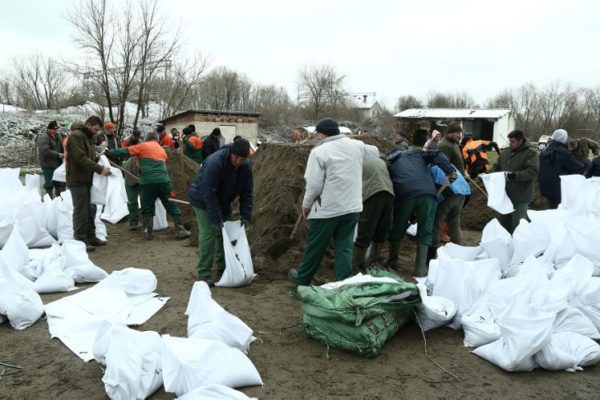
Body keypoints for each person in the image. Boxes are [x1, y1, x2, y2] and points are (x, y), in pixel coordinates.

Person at [288, 117, 379, 286]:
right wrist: (354, 146)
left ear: (323, 134)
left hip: (328, 210)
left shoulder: (319, 152)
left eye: (318, 134)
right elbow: (374, 152)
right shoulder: (356, 146)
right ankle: (343, 284)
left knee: (315, 247)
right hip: (352, 208)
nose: (317, 137)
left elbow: (314, 185)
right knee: (344, 248)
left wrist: (306, 205)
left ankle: (302, 280)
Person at [188, 138, 254, 286]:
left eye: (242, 159)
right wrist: (216, 218)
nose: (238, 161)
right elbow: (208, 193)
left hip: (224, 201)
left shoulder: (246, 166)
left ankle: (223, 268)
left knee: (226, 234)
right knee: (209, 234)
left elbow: (247, 192)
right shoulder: (215, 162)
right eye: (236, 157)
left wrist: (245, 214)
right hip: (202, 199)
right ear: (230, 152)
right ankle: (203, 273)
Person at [107, 131, 191, 240]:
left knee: (147, 206)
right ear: (157, 139)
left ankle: (149, 233)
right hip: (164, 181)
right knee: (171, 204)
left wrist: (109, 152)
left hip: (147, 183)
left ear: (147, 139)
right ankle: (180, 230)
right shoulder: (161, 149)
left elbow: (125, 151)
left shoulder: (143, 146)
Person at [385, 148, 456, 277]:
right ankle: (420, 269)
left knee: (397, 228)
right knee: (425, 231)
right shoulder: (417, 154)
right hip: (427, 194)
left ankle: (392, 263)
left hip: (404, 195)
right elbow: (436, 152)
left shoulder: (390, 165)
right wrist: (450, 170)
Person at [65, 116, 112, 252]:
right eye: (95, 129)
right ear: (88, 125)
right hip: (77, 179)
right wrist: (100, 169)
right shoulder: (76, 136)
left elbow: (90, 156)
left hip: (87, 179)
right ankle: (80, 239)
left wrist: (100, 159)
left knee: (90, 209)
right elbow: (80, 158)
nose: (97, 132)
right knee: (81, 209)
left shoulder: (88, 137)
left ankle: (91, 236)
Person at [490, 129, 539, 233]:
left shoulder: (530, 153)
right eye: (509, 141)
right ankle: (507, 247)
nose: (510, 144)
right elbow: (497, 167)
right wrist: (487, 174)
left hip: (521, 196)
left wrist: (515, 176)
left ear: (521, 141)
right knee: (505, 225)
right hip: (505, 196)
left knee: (518, 226)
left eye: (513, 142)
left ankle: (518, 248)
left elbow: (532, 171)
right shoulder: (505, 153)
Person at [352, 157, 394, 271]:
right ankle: (372, 263)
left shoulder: (357, 160)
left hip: (373, 194)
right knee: (381, 229)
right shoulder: (379, 161)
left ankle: (355, 265)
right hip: (389, 193)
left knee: (365, 229)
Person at [539, 129, 586, 209]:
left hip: (545, 186)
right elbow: (576, 168)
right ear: (564, 139)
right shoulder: (562, 152)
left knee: (552, 207)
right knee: (558, 211)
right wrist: (587, 165)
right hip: (559, 187)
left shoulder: (544, 151)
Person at [437, 123, 465, 242]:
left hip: (458, 187)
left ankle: (458, 246)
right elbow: (443, 168)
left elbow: (456, 164)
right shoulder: (444, 146)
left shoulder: (453, 144)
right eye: (458, 133)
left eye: (461, 133)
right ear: (450, 133)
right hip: (451, 188)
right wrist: (444, 189)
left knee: (454, 219)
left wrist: (464, 173)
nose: (460, 136)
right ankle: (432, 248)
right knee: (439, 219)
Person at [37, 120, 66, 198]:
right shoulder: (44, 138)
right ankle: (48, 200)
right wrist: (58, 155)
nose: (56, 131)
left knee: (60, 183)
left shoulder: (58, 136)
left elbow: (63, 146)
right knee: (49, 184)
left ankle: (60, 200)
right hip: (48, 165)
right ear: (50, 129)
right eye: (55, 129)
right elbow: (45, 151)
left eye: (56, 129)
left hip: (58, 165)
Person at [121, 155, 141, 230]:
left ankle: (140, 222)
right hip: (130, 181)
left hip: (139, 179)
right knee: (132, 202)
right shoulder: (132, 160)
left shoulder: (134, 158)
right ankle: (133, 223)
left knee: (140, 201)